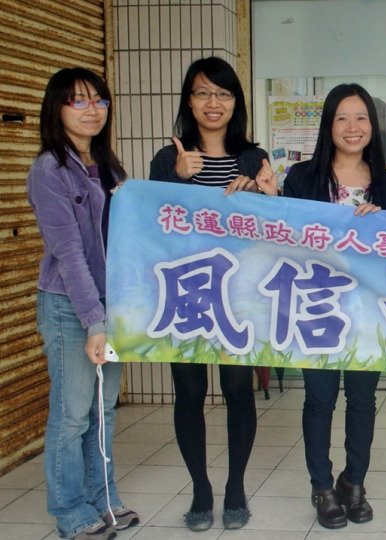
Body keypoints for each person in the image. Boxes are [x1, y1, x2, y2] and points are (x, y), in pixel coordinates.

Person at [256, 83, 386, 529]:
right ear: (328, 125)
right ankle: (322, 486)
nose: (352, 127)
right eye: (342, 118)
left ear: (372, 125)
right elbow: (285, 236)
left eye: (361, 118)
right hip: (316, 307)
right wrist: (272, 200)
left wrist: (384, 222)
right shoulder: (304, 177)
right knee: (319, 398)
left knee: (362, 399)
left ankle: (354, 482)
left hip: (369, 312)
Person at [148, 56, 271, 531]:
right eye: (202, 92)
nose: (213, 102)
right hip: (185, 292)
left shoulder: (253, 158)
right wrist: (177, 178)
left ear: (236, 102)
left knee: (238, 390)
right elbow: (152, 223)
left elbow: (275, 229)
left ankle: (235, 488)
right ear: (189, 101)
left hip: (238, 296)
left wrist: (265, 195)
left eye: (222, 93)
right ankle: (201, 490)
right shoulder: (169, 158)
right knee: (189, 393)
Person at [27, 67, 140, 540]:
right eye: (79, 100)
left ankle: (104, 500)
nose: (92, 110)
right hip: (69, 307)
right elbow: (69, 253)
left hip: (112, 305)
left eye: (99, 100)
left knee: (102, 410)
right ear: (57, 108)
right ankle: (72, 513)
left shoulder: (109, 167)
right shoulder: (49, 170)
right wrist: (94, 322)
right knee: (72, 415)